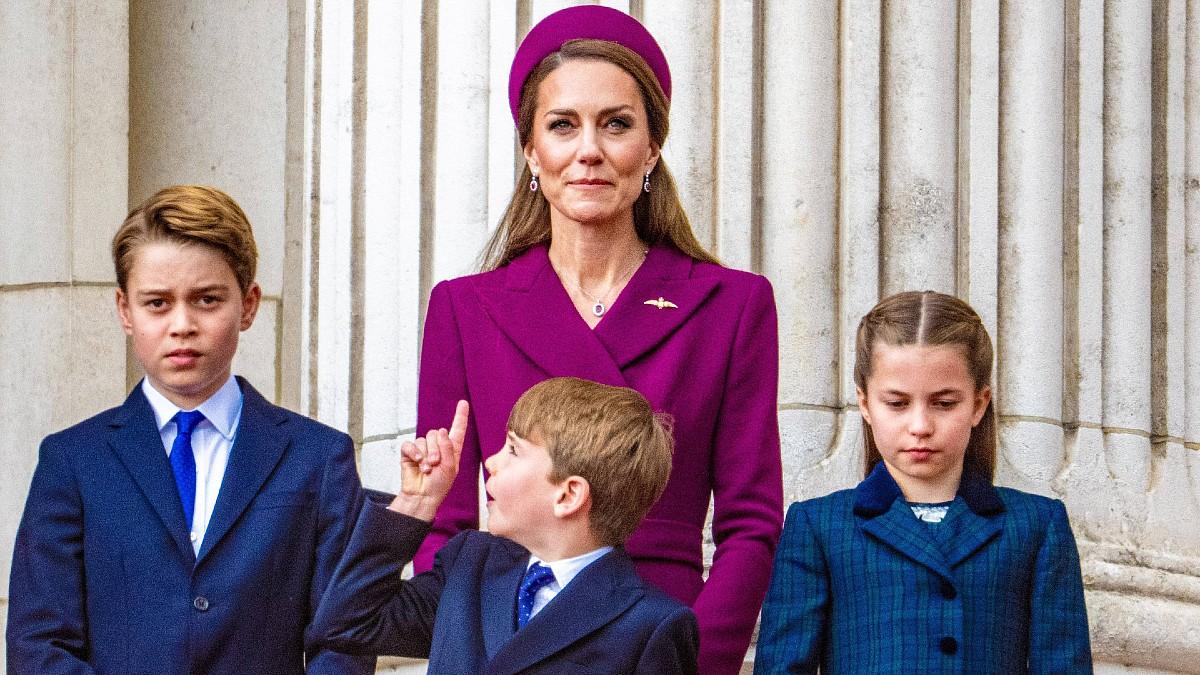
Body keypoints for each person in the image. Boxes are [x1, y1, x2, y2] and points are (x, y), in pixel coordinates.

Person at [414, 7, 782, 672]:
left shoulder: (732, 305)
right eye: (563, 125)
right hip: (511, 636)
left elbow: (750, 524)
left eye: (616, 124)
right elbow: (444, 519)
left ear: (652, 146)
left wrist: (691, 654)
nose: (589, 150)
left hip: (659, 631)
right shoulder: (464, 308)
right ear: (532, 149)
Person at [6, 185, 373, 675]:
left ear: (248, 305)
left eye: (206, 300)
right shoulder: (72, 461)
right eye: (157, 303)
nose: (182, 324)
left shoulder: (318, 458)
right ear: (124, 310)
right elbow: (38, 643)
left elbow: (344, 642)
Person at [754, 291, 1092, 673]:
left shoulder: (1036, 524)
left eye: (944, 403)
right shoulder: (819, 526)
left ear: (979, 404)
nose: (920, 426)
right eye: (897, 403)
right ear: (865, 404)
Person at [311, 377, 699, 673]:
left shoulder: (652, 625)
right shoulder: (471, 564)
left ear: (568, 496)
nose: (490, 462)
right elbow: (346, 624)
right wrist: (417, 502)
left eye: (513, 450)